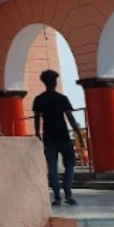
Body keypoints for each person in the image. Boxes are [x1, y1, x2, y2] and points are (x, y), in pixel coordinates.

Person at [32, 70, 83, 207]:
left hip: (48, 136)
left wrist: (37, 133)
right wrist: (78, 133)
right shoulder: (62, 99)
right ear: (55, 82)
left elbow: (37, 118)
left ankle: (56, 196)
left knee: (52, 166)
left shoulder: (39, 99)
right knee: (70, 163)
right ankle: (68, 191)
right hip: (63, 136)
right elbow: (70, 117)